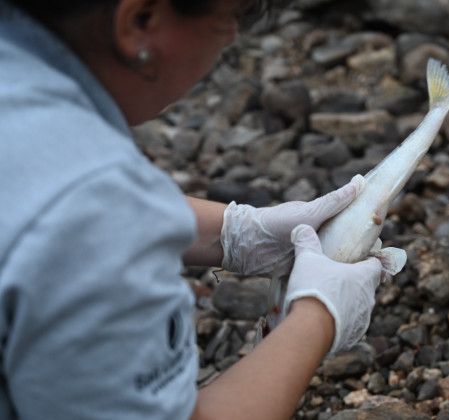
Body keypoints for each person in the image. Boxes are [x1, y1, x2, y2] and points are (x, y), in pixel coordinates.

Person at [0, 0, 396, 419]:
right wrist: (318, 317)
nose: (231, 37)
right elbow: (83, 212)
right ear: (140, 20)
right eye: (232, 17)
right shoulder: (97, 200)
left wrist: (234, 231)